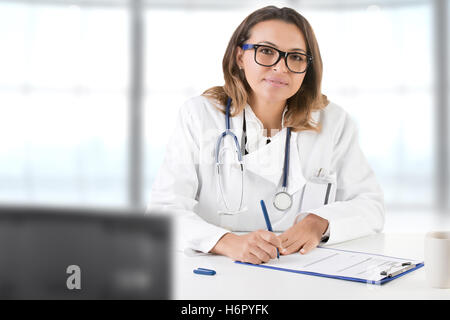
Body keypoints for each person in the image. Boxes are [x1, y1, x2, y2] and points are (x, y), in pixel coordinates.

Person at [148, 6, 384, 265]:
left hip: (303, 268)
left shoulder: (332, 121)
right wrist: (226, 242)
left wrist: (321, 222)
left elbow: (370, 205)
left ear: (307, 67)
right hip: (218, 269)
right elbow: (163, 211)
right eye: (267, 52)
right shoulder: (200, 115)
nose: (281, 67)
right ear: (240, 57)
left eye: (295, 57)